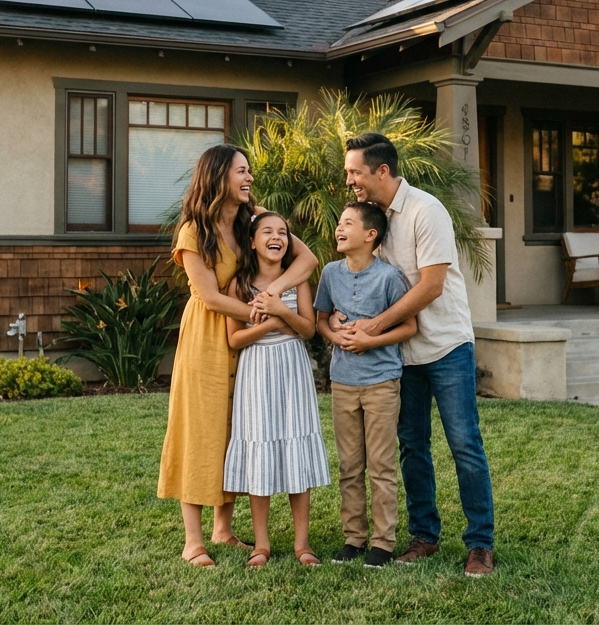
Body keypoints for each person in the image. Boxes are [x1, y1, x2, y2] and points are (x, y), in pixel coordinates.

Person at [330, 132, 496, 577]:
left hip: (445, 346)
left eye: (355, 172)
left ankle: (480, 544)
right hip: (400, 355)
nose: (351, 182)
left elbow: (431, 285)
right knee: (412, 447)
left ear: (381, 171)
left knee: (464, 444)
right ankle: (425, 535)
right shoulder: (370, 221)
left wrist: (374, 327)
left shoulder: (426, 210)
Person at [158, 145, 317, 568]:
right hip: (208, 339)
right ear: (217, 177)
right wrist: (263, 312)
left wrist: (273, 294)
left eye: (249, 172)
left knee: (234, 431)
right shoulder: (195, 230)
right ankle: (194, 541)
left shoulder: (255, 217)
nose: (248, 179)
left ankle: (223, 530)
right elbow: (208, 295)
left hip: (249, 341)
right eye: (241, 172)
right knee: (201, 431)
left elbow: (308, 259)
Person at [223, 211, 330, 568]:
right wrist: (271, 319)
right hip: (256, 369)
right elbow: (236, 338)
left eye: (283, 232)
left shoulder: (296, 279)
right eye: (267, 231)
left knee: (295, 442)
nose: (277, 237)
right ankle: (262, 544)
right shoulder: (239, 284)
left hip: (292, 368)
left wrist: (278, 312)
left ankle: (303, 544)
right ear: (251, 241)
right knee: (260, 448)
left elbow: (308, 330)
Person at [315, 202, 417, 569]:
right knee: (350, 465)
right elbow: (321, 321)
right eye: (339, 223)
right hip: (343, 383)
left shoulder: (389, 278)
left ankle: (383, 543)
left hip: (381, 384)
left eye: (347, 223)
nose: (339, 229)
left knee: (381, 465)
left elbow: (409, 327)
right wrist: (335, 336)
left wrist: (368, 341)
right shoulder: (330, 273)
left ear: (371, 235)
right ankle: (354, 538)